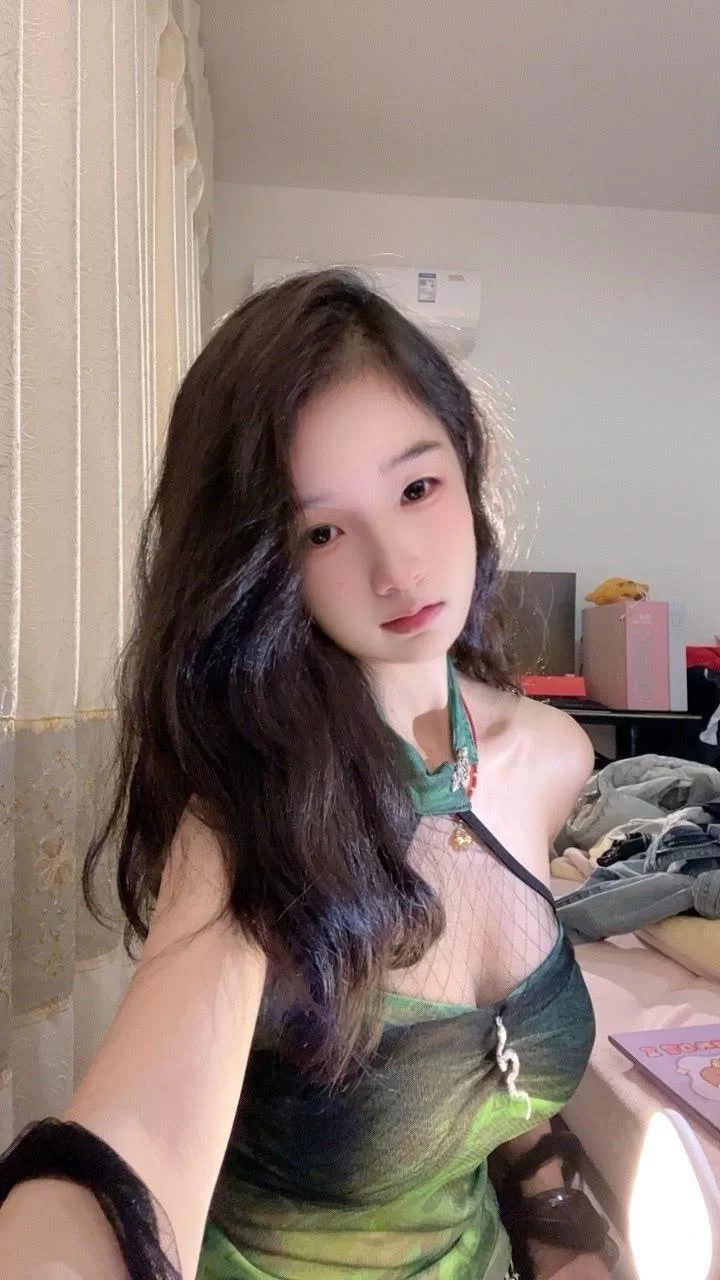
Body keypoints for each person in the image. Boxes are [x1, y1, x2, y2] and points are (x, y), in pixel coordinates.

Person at [0, 271, 614, 1280]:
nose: (396, 567)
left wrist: (558, 1224)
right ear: (264, 564)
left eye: (416, 487)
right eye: (321, 530)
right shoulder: (250, 814)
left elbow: (489, 1078)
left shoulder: (555, 754)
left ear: (467, 465)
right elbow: (133, 1144)